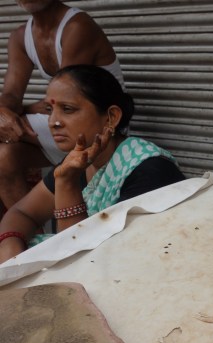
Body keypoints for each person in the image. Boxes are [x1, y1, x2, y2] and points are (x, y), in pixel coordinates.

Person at [0, 64, 185, 263]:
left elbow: (87, 260)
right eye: (49, 110)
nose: (53, 121)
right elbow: (21, 213)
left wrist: (66, 182)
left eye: (67, 109)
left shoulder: (148, 170)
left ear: (111, 117)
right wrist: (11, 243)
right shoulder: (82, 160)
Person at [0, 0, 124, 212]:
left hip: (99, 127)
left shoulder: (77, 27)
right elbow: (12, 95)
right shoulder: (20, 37)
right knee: (4, 157)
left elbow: (65, 96)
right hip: (65, 127)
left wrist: (22, 110)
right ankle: (30, 239)